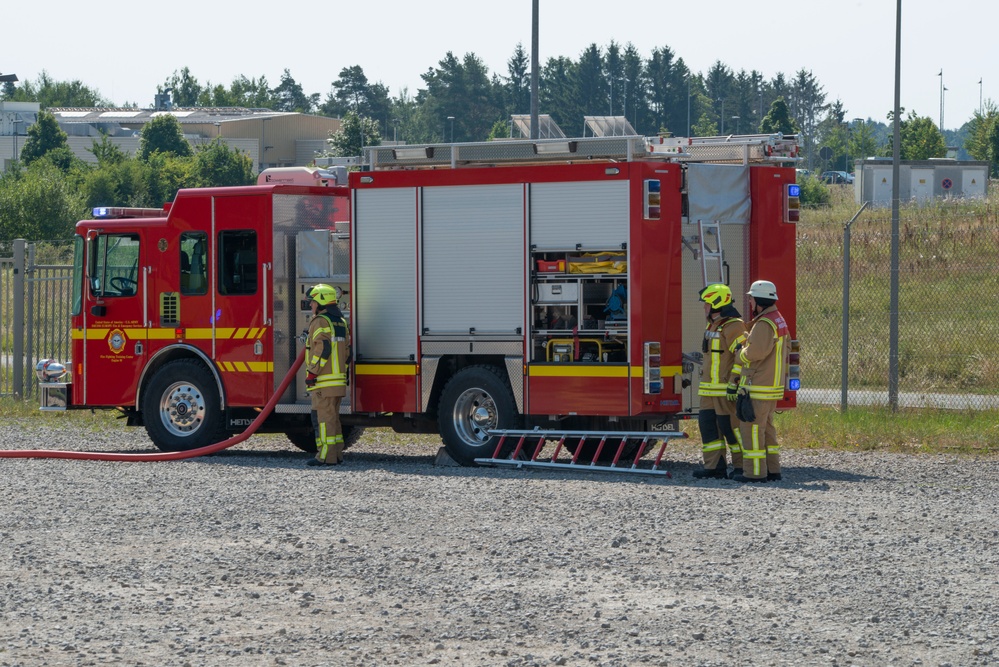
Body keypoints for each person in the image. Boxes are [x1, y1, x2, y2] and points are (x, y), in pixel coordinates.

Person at [733, 280, 790, 483]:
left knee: (752, 430)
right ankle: (773, 470)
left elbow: (755, 352)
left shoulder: (764, 324)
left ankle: (755, 473)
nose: (750, 302)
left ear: (759, 301)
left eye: (751, 299)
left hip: (758, 387)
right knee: (767, 431)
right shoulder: (778, 320)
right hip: (770, 387)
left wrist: (740, 353)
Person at [692, 284, 748, 479]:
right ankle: (714, 467)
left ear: (716, 304)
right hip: (709, 391)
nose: (704, 307)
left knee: (731, 430)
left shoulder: (734, 326)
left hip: (725, 391)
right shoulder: (713, 325)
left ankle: (742, 466)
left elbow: (742, 358)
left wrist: (734, 383)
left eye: (707, 303)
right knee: (709, 429)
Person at [303, 284, 349, 467]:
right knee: (333, 419)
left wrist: (312, 372)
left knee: (323, 420)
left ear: (321, 301)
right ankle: (337, 455)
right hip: (337, 381)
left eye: (312, 302)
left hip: (323, 381)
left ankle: (325, 457)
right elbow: (347, 352)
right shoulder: (340, 321)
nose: (311, 305)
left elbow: (322, 349)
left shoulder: (320, 321)